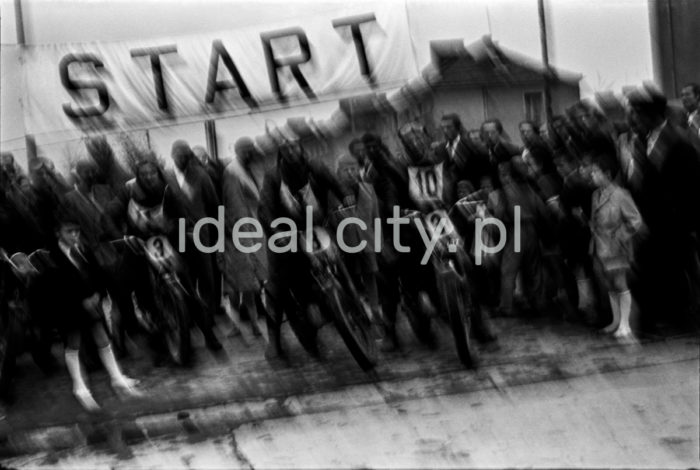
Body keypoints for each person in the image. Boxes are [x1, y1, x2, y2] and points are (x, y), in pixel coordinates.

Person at [258, 138, 353, 359]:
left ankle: (350, 301)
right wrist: (276, 231)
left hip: (316, 228)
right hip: (286, 235)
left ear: (301, 148)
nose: (291, 151)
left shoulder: (315, 166)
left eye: (295, 146)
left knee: (341, 256)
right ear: (281, 153)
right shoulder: (273, 176)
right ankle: (275, 340)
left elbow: (334, 184)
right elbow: (265, 208)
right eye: (286, 148)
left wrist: (346, 196)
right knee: (279, 287)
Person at [44, 216, 140, 410]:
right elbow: (56, 287)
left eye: (76, 231)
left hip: (91, 303)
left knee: (103, 339)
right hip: (69, 308)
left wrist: (98, 294)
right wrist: (81, 301)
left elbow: (96, 273)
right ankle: (79, 387)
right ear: (58, 234)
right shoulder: (52, 257)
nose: (74, 236)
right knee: (74, 345)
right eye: (69, 232)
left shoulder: (83, 249)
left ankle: (117, 378)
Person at [626, 85, 700, 330]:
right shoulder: (644, 141)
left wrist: (671, 222)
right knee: (651, 274)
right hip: (650, 224)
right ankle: (661, 319)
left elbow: (687, 189)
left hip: (670, 225)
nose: (631, 119)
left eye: (636, 113)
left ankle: (676, 319)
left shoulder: (676, 142)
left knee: (672, 273)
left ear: (652, 115)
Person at [168, 140, 223, 350]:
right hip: (178, 240)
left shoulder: (200, 176)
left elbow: (214, 206)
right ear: (172, 155)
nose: (184, 159)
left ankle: (209, 330)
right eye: (180, 156)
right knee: (186, 284)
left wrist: (216, 236)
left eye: (187, 156)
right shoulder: (166, 178)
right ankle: (190, 326)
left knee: (207, 283)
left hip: (202, 237)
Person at [588, 152, 643, 342]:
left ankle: (625, 324)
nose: (592, 175)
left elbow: (635, 219)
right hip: (599, 245)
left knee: (620, 283)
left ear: (607, 173)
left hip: (616, 246)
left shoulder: (620, 195)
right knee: (609, 284)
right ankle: (616, 320)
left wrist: (620, 236)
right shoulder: (596, 194)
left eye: (596, 172)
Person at [221, 137, 268, 337]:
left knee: (249, 284)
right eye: (247, 150)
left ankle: (254, 322)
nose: (251, 153)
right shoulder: (232, 172)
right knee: (235, 285)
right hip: (239, 235)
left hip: (252, 230)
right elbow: (235, 207)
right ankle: (237, 323)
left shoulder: (249, 170)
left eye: (252, 149)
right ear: (240, 151)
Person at [332, 153, 381, 329]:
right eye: (346, 170)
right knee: (351, 280)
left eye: (354, 169)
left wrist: (379, 242)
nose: (351, 173)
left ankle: (375, 311)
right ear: (338, 173)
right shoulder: (333, 195)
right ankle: (357, 313)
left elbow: (376, 218)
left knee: (370, 276)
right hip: (346, 245)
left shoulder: (368, 189)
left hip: (367, 241)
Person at [436, 114, 490, 194]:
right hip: (448, 196)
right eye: (443, 128)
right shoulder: (440, 149)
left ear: (458, 127)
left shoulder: (471, 146)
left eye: (449, 127)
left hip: (470, 193)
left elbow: (484, 171)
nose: (445, 131)